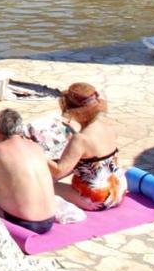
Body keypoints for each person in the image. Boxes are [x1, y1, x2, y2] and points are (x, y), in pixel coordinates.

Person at [48, 83, 126, 211]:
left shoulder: (80, 139)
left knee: (45, 185)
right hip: (118, 190)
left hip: (98, 199)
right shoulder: (108, 128)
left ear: (76, 113)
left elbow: (59, 171)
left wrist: (40, 154)